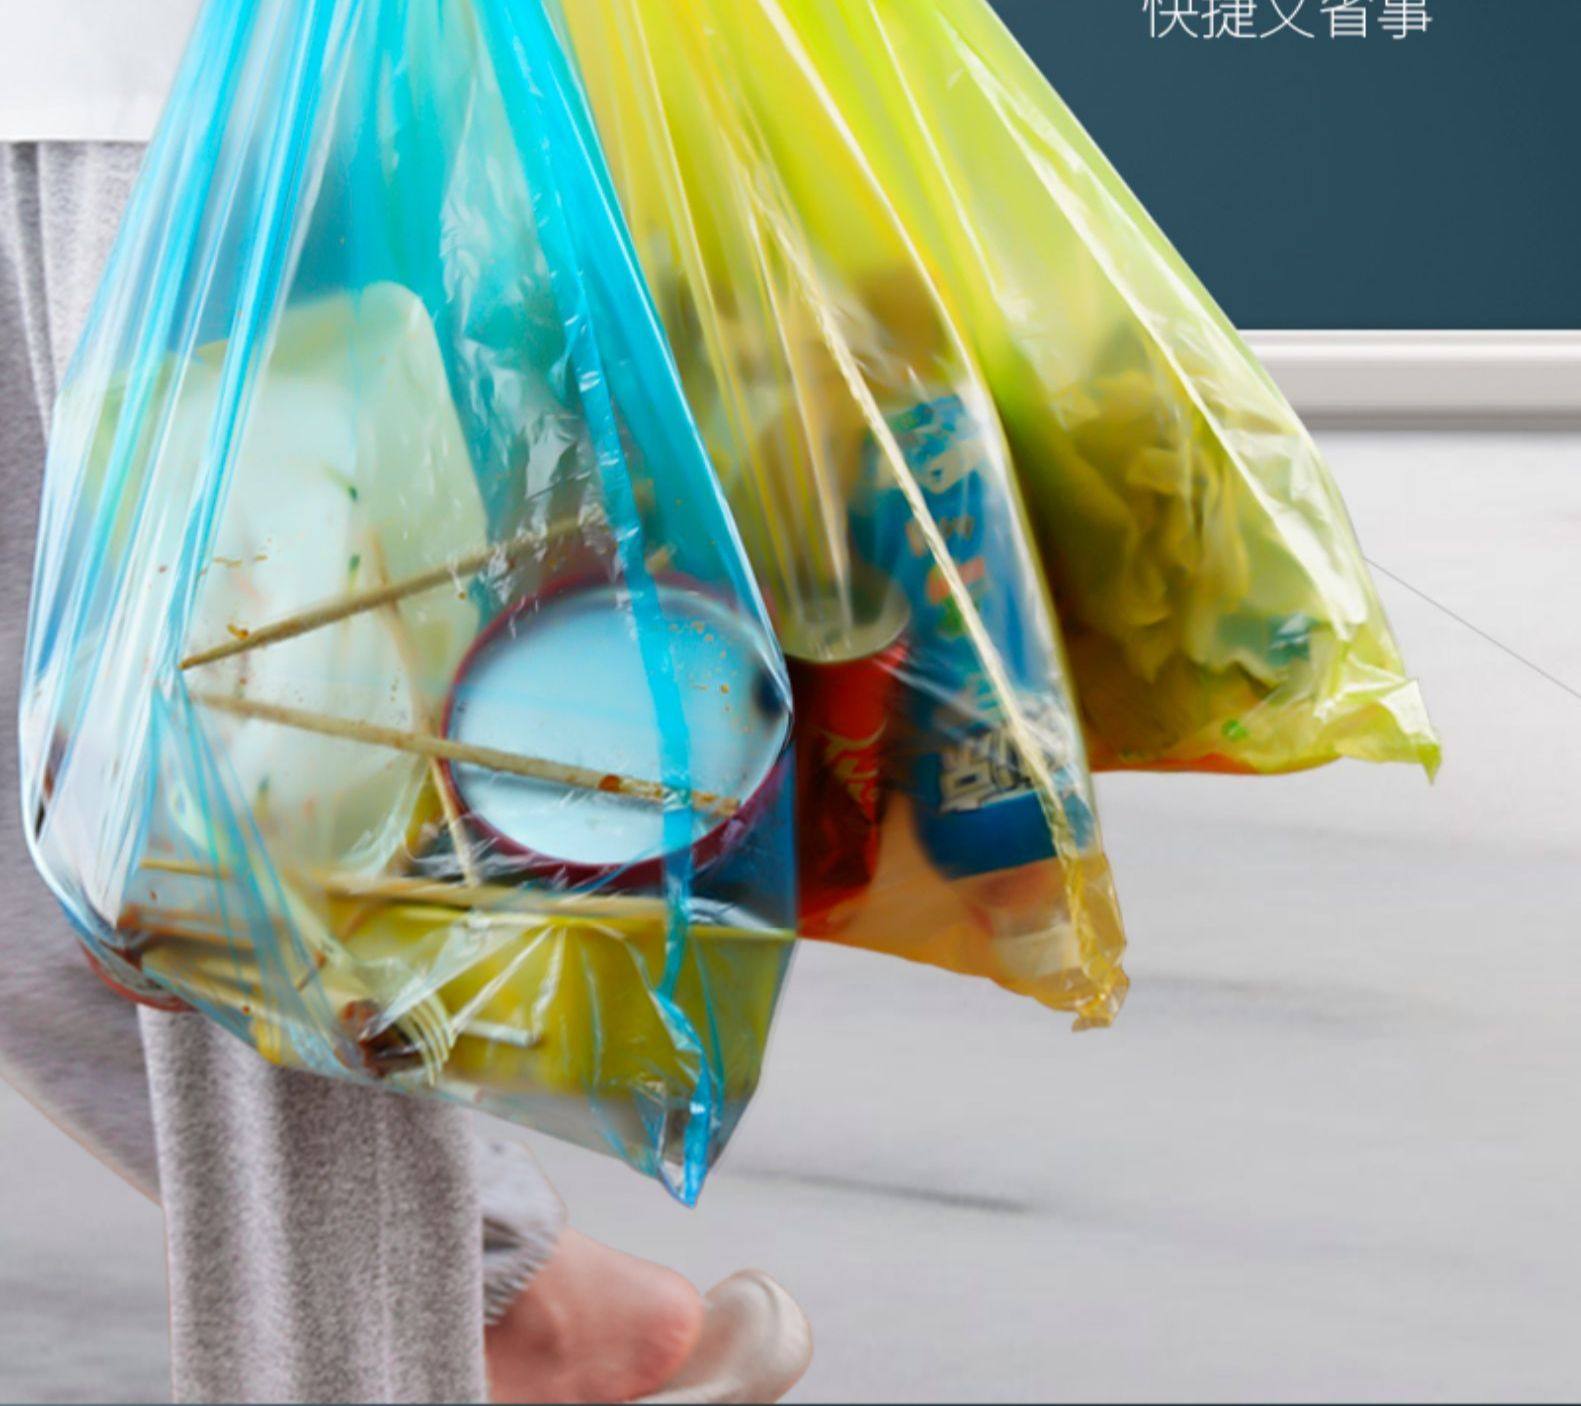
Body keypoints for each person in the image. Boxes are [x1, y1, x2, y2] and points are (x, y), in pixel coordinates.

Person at [0, 4, 812, 1401]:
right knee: (96, 881)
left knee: (262, 865)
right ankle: (517, 1311)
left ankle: (405, 1354)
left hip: (221, 84)